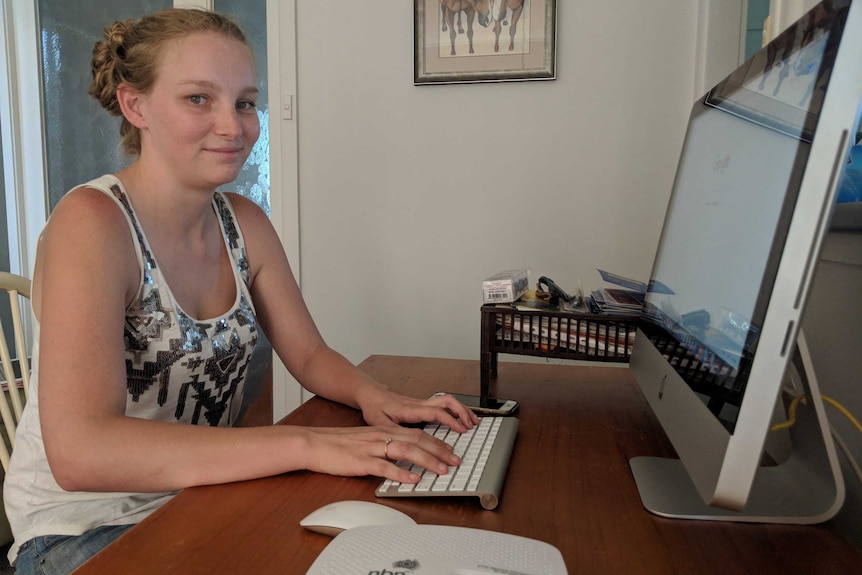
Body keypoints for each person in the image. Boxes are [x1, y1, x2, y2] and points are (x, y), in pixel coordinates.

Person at [2, 9, 478, 575]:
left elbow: (307, 354)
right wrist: (306, 445)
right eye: (199, 99)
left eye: (245, 102)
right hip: (82, 526)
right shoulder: (92, 224)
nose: (234, 126)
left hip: (198, 495)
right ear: (136, 105)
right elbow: (83, 454)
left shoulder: (244, 222)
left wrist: (379, 398)